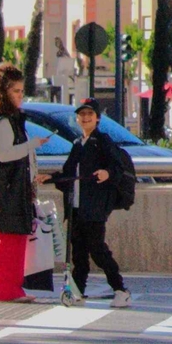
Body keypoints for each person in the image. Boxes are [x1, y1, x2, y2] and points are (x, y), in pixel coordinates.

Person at [53, 100, 132, 307]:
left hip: (95, 207)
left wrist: (107, 173)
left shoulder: (102, 141)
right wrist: (51, 178)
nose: (86, 118)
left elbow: (117, 167)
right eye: (82, 114)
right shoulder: (78, 143)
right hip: (76, 207)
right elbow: (69, 174)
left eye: (90, 114)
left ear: (97, 118)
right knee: (78, 253)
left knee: (98, 250)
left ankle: (121, 289)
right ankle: (77, 291)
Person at [0, 62, 40, 303]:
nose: (20, 96)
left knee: (12, 240)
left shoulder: (5, 119)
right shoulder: (3, 121)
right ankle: (7, 290)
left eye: (22, 91)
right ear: (4, 92)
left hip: (10, 189)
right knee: (10, 241)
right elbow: (3, 154)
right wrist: (32, 145)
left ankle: (11, 288)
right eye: (15, 91)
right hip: (8, 191)